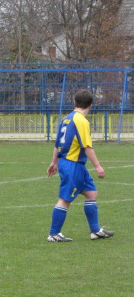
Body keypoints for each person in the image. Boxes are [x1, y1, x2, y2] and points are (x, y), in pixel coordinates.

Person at [46, 89, 114, 242]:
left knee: (91, 193)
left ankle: (95, 231)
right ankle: (53, 234)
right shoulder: (82, 121)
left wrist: (54, 162)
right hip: (72, 165)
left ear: (75, 103)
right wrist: (98, 166)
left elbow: (58, 144)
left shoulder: (67, 119)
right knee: (65, 199)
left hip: (73, 165)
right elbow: (87, 147)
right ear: (91, 105)